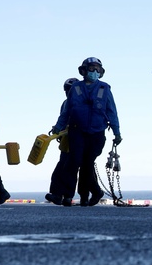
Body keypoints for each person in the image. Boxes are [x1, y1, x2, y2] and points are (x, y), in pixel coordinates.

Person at [51, 57, 121, 206]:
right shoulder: (75, 89)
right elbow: (66, 111)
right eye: (91, 68)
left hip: (97, 133)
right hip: (77, 132)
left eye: (97, 69)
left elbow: (112, 111)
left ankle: (86, 195)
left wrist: (117, 133)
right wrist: (58, 127)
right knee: (73, 162)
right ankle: (68, 196)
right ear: (83, 70)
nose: (94, 71)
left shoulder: (105, 88)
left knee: (87, 164)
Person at [44, 78, 81, 206]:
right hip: (67, 140)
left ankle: (66, 195)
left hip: (79, 139)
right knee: (63, 168)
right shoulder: (66, 103)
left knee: (70, 169)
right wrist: (58, 130)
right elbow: (63, 118)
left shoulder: (81, 102)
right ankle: (60, 195)